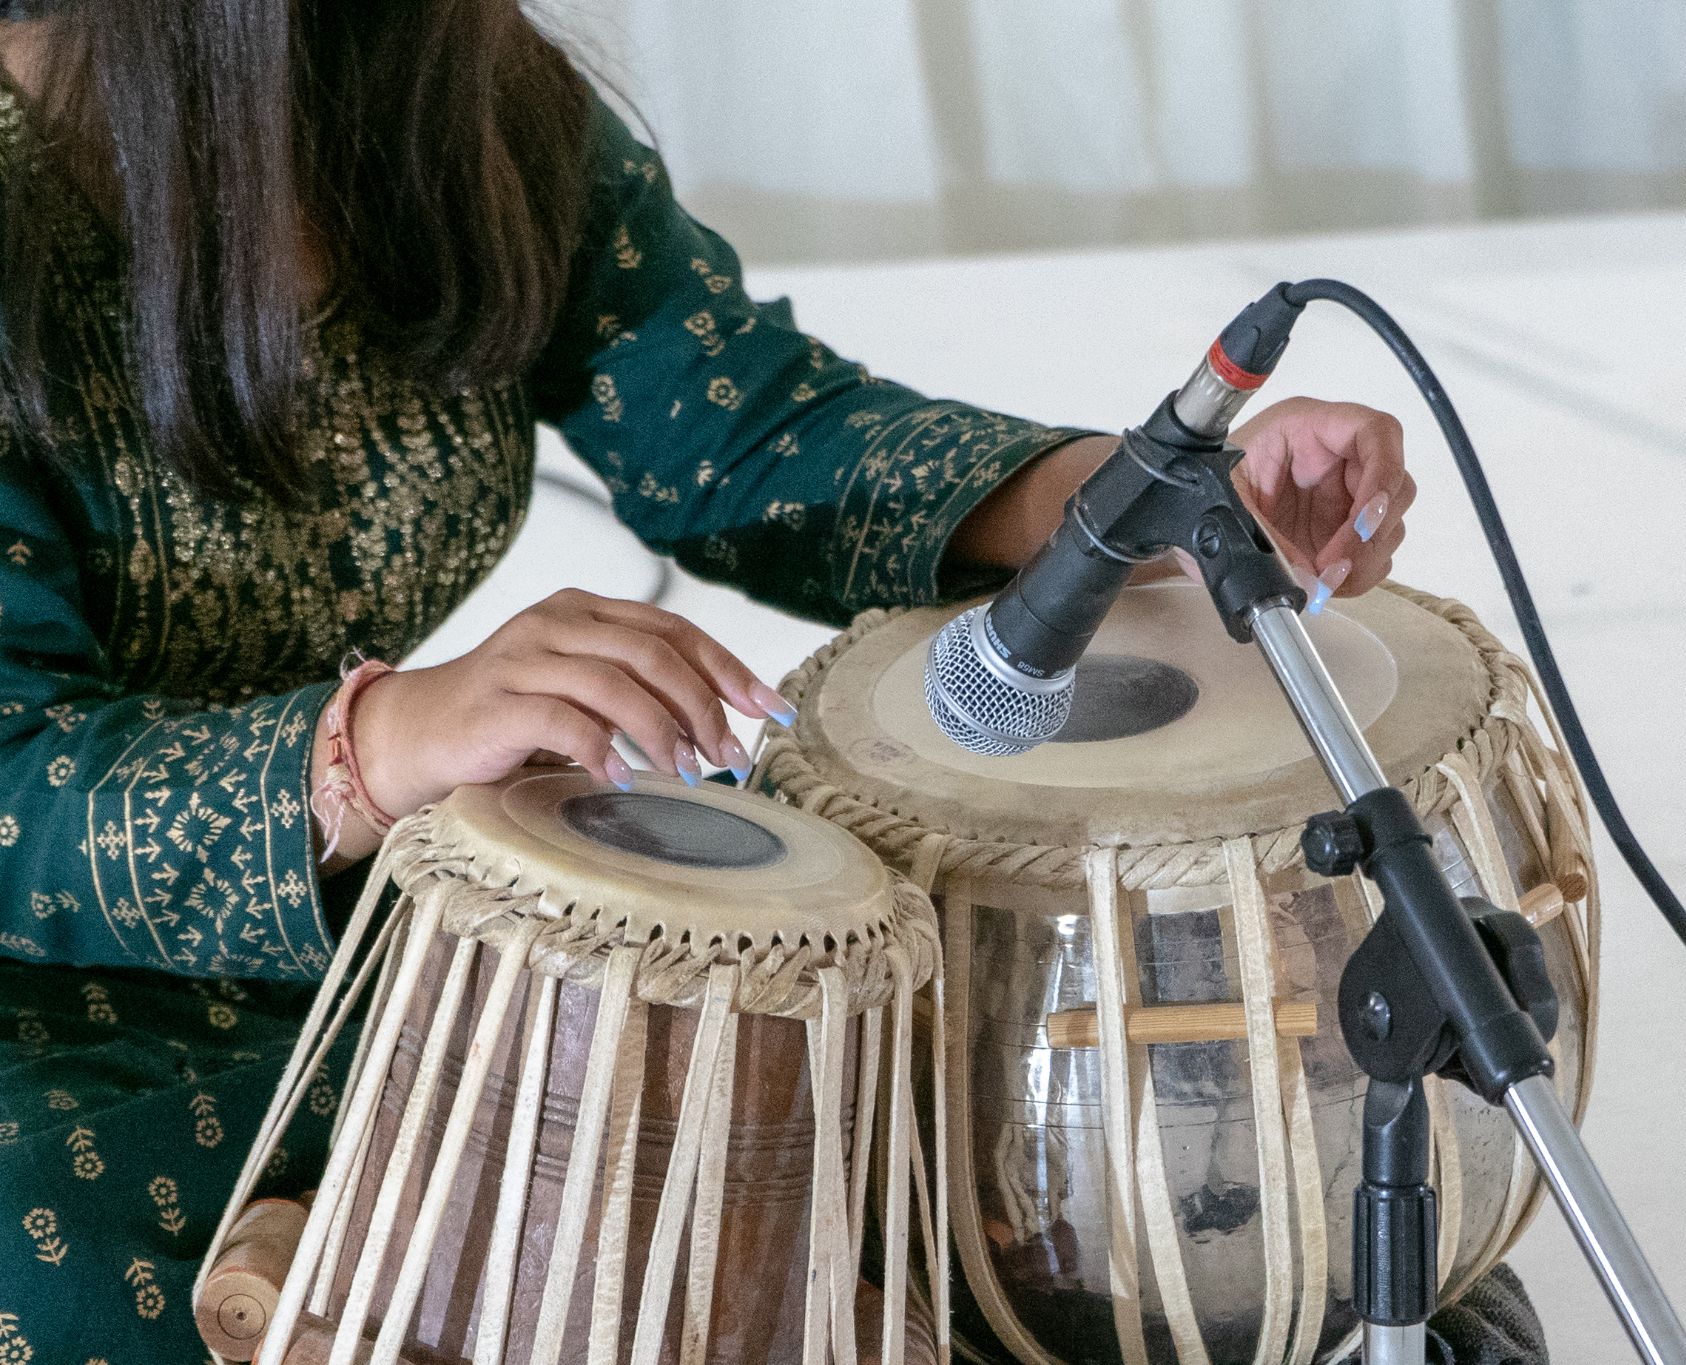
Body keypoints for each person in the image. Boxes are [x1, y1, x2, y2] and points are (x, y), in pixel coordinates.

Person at [0, 2, 1436, 1359]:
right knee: (59, 1258)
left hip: (394, 896)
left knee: (853, 984)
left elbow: (741, 420)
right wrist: (382, 740)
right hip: (50, 994)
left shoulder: (453, 82)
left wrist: (1131, 503)